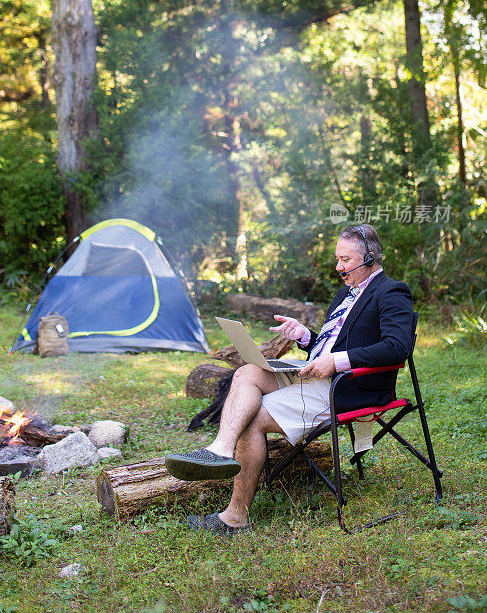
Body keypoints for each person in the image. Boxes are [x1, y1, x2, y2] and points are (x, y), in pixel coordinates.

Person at [164, 224, 414, 537]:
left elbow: (397, 346)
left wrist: (335, 361)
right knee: (247, 371)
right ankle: (221, 449)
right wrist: (306, 336)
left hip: (348, 387)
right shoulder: (346, 294)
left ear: (371, 258)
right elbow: (338, 339)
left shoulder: (392, 292)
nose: (338, 267)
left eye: (346, 260)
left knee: (251, 419)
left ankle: (234, 518)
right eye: (337, 259)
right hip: (315, 374)